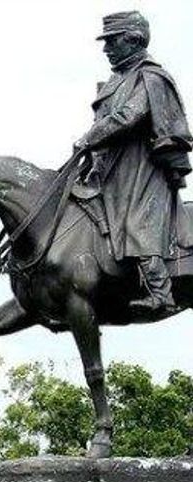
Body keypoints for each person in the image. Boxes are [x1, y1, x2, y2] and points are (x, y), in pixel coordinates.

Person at [73, 11, 192, 313]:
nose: (106, 48)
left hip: (142, 168)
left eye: (112, 41)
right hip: (111, 167)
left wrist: (88, 138)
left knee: (139, 223)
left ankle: (160, 293)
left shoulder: (150, 76)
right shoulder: (118, 79)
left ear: (134, 39)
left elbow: (129, 116)